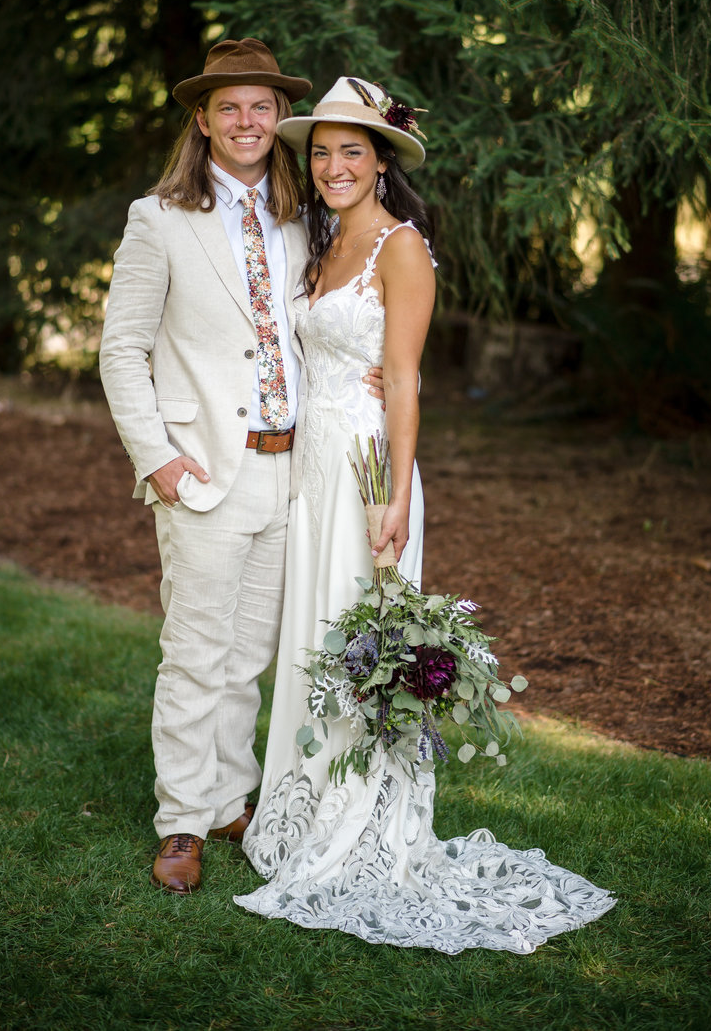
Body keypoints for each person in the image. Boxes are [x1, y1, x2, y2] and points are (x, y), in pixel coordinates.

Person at [234, 76, 616, 954]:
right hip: (312, 470)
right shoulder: (323, 240)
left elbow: (404, 378)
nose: (333, 166)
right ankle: (303, 811)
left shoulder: (400, 247)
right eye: (321, 152)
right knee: (313, 635)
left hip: (369, 469)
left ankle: (363, 825)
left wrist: (397, 493)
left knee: (359, 637)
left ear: (382, 162)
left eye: (351, 152)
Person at [99, 40, 384, 895]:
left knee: (250, 652)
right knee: (195, 652)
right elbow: (121, 348)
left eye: (262, 106)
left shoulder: (303, 219)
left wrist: (365, 369)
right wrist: (158, 459)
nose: (247, 121)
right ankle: (182, 821)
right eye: (229, 107)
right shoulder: (158, 219)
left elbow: (328, 319)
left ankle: (229, 798)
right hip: (202, 468)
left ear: (279, 118)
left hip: (291, 469)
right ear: (203, 119)